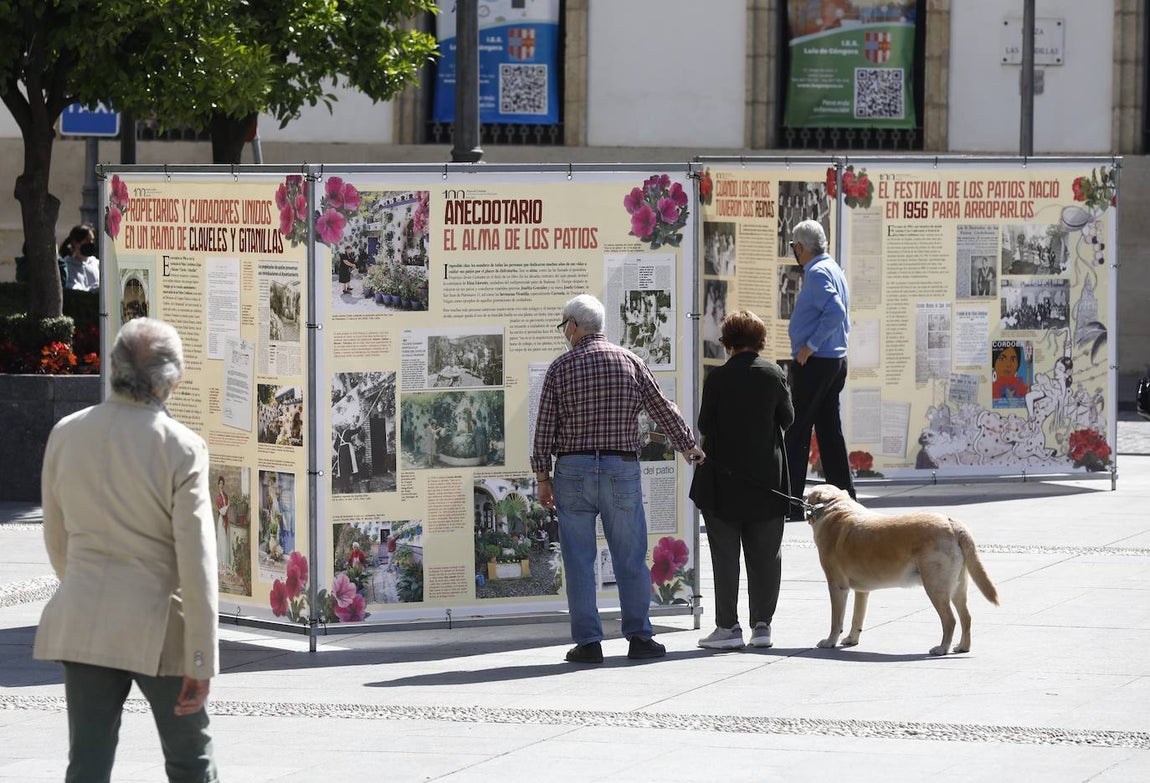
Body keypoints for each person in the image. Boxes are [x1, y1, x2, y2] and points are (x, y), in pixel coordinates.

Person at [33, 317, 219, 782]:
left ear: (114, 368)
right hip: (160, 624)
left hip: (84, 615)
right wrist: (201, 658)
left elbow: (57, 540)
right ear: (171, 379)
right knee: (189, 761)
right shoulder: (182, 447)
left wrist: (84, 583)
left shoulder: (67, 432)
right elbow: (196, 563)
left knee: (88, 765)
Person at [532, 294, 706, 664]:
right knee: (630, 557)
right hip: (621, 470)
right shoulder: (630, 362)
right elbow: (663, 407)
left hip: (573, 471)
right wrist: (688, 446)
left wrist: (542, 477)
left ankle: (589, 643)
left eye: (565, 326)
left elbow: (544, 428)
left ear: (574, 326)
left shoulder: (560, 368)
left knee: (578, 560)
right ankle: (640, 637)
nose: (565, 333)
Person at [690, 310, 794, 650]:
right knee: (766, 555)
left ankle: (727, 627)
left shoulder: (717, 378)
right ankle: (762, 625)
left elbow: (706, 424)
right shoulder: (774, 373)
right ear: (760, 341)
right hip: (767, 480)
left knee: (725, 556)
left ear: (727, 342)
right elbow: (787, 419)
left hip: (723, 480)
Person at [785, 219, 854, 517]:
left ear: (801, 247)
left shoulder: (816, 272)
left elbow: (836, 310)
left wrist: (809, 345)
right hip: (833, 361)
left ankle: (791, 503)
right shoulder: (833, 267)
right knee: (829, 432)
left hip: (816, 362)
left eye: (793, 247)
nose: (794, 253)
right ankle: (845, 498)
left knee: (798, 431)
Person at [58, 224, 100, 291]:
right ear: (75, 243)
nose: (91, 243)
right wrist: (92, 290)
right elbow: (71, 287)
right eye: (87, 240)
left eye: (92, 240)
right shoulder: (67, 266)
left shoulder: (97, 264)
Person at [215, 476, 231, 574]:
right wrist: (228, 505)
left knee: (226, 541)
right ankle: (222, 565)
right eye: (220, 483)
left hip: (226, 520)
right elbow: (222, 512)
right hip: (221, 520)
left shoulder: (225, 495)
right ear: (218, 485)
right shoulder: (218, 498)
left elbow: (227, 510)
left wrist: (228, 506)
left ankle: (226, 564)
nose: (221, 485)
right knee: (222, 542)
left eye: (222, 483)